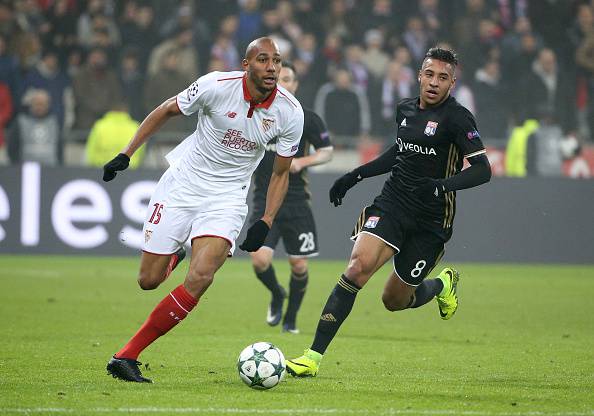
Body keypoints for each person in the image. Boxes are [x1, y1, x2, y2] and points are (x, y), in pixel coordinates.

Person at [102, 37, 304, 383]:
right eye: (263, 60)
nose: (272, 68)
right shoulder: (215, 85)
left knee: (202, 277)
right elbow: (166, 110)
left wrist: (266, 220)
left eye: (277, 61)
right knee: (148, 281)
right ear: (246, 65)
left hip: (226, 197)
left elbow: (281, 172)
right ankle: (179, 252)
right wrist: (126, 153)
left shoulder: (290, 112)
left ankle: (127, 355)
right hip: (182, 184)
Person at [286, 47, 491, 377]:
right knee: (356, 268)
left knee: (393, 300)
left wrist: (442, 185)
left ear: (452, 83)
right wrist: (356, 175)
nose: (434, 82)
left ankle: (441, 286)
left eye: (443, 78)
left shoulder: (458, 118)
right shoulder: (405, 110)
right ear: (419, 76)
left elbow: (483, 170)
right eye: (429, 75)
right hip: (393, 203)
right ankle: (312, 357)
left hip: (431, 220)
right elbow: (399, 151)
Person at [249, 61, 333, 334]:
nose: (283, 83)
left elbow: (327, 151)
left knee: (298, 265)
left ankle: (291, 320)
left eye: (288, 79)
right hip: (264, 199)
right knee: (259, 260)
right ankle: (277, 294)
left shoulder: (307, 118)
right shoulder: (256, 113)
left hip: (296, 200)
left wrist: (302, 162)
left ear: (295, 85)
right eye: (279, 79)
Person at [85, 101, 144, 169]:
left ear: (110, 111)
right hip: (128, 169)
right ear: (126, 111)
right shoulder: (135, 127)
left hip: (103, 169)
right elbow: (140, 152)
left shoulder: (100, 126)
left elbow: (91, 151)